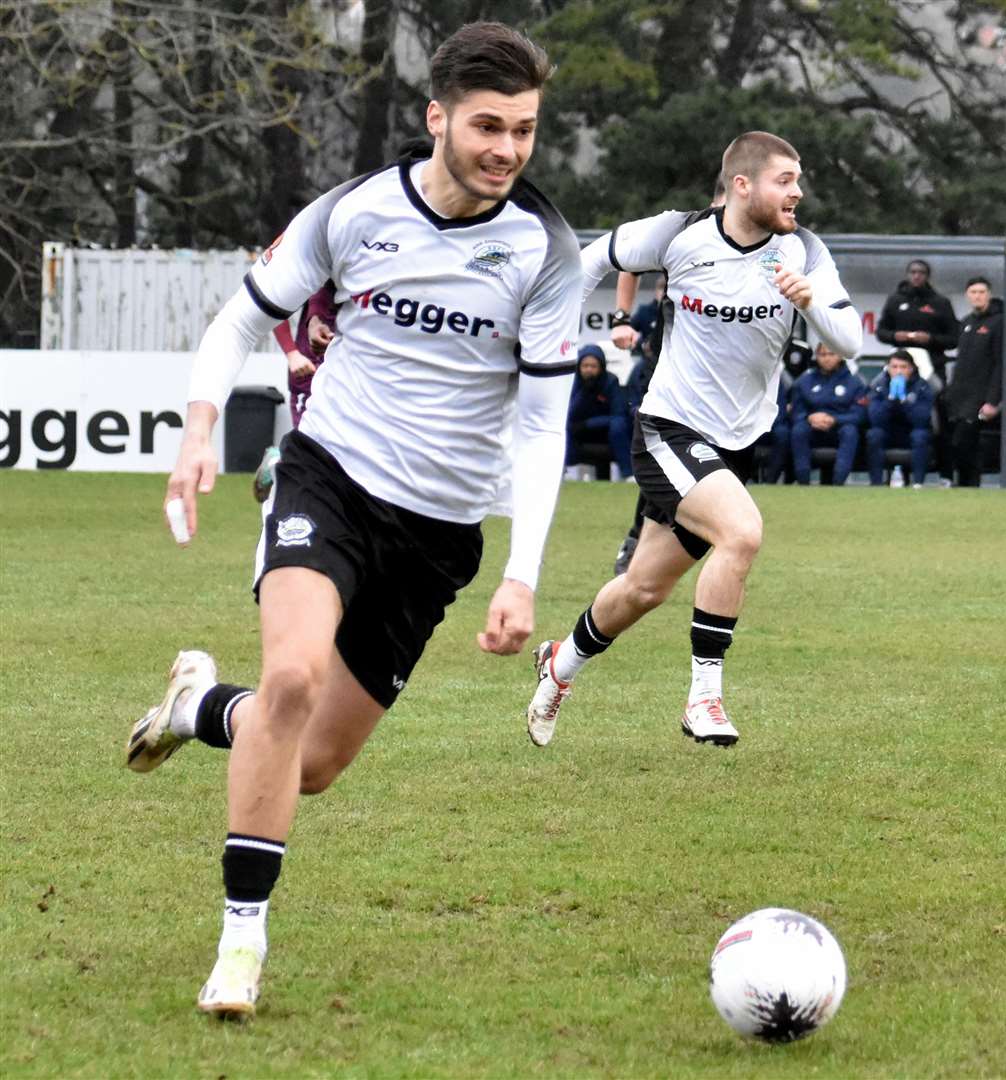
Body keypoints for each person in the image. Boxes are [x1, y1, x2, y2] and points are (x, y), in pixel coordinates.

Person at [123, 22, 580, 1018]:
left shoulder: (545, 252)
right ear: (437, 119)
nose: (507, 148)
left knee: (315, 762)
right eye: (489, 125)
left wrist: (520, 574)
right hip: (326, 480)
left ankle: (199, 706)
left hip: (438, 533)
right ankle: (242, 943)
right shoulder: (356, 211)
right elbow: (240, 318)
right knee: (290, 678)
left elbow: (545, 429)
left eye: (526, 131)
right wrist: (200, 428)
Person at [524, 131, 861, 749]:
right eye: (785, 180)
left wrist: (811, 301)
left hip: (736, 443)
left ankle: (559, 665)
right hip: (668, 428)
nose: (798, 191)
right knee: (743, 533)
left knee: (644, 587)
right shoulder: (679, 233)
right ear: (742, 185)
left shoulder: (804, 251)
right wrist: (554, 335)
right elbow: (595, 259)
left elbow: (850, 341)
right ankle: (703, 697)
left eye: (799, 179)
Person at [610, 173, 727, 574]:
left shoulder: (767, 241)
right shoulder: (690, 229)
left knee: (701, 464)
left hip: (723, 381)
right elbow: (626, 261)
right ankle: (637, 537)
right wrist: (622, 319)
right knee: (663, 451)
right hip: (670, 368)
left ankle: (657, 540)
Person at [253, 282, 339, 502]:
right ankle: (278, 462)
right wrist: (292, 354)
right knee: (311, 454)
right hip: (310, 373)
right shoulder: (319, 264)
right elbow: (276, 301)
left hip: (350, 376)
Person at [945, 276, 1004, 486]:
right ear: (967, 296)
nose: (977, 296)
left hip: (981, 397)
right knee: (957, 444)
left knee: (968, 442)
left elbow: (1000, 363)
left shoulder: (998, 323)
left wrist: (993, 400)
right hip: (960, 396)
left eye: (981, 292)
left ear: (989, 294)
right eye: (973, 292)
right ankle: (961, 486)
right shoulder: (967, 323)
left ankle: (971, 485)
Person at [788, 340, 866, 486]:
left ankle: (838, 483)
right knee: (798, 430)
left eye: (831, 354)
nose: (827, 358)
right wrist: (809, 417)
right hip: (811, 427)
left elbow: (859, 415)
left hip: (839, 429)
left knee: (850, 431)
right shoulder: (804, 381)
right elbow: (796, 411)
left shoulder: (855, 382)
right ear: (816, 356)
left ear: (841, 356)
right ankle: (803, 482)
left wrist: (835, 419)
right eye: (822, 354)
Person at [874, 258, 960, 385]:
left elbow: (954, 339)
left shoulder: (941, 303)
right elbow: (881, 332)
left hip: (932, 365)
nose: (917, 276)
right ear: (907, 274)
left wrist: (931, 339)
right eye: (913, 272)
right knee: (877, 388)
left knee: (935, 394)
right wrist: (895, 336)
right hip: (900, 365)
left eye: (921, 273)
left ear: (928, 276)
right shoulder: (895, 300)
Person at [864, 348, 935, 487]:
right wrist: (890, 399)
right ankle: (876, 483)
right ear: (888, 368)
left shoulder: (922, 387)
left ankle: (918, 483)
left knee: (920, 435)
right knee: (874, 434)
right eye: (894, 367)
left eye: (903, 367)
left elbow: (922, 419)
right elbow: (874, 418)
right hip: (888, 432)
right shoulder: (879, 386)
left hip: (910, 432)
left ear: (912, 368)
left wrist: (904, 401)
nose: (898, 371)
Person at [566, 343, 632, 479]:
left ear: (601, 367)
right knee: (565, 426)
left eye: (593, 366)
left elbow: (618, 414)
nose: (589, 370)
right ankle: (568, 471)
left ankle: (628, 474)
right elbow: (570, 415)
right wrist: (584, 392)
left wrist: (589, 424)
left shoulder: (611, 382)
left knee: (619, 425)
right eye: (585, 366)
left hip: (606, 432)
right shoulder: (572, 382)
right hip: (580, 432)